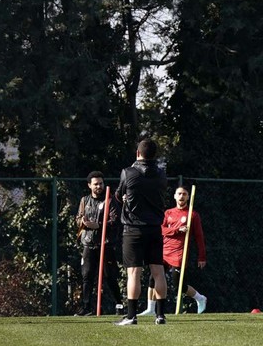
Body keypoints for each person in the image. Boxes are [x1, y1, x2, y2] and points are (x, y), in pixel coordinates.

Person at [114, 138, 168, 325]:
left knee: (133, 273)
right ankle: (160, 315)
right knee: (158, 271)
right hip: (154, 228)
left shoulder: (128, 172)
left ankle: (131, 316)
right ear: (155, 155)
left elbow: (118, 195)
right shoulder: (161, 174)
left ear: (138, 153)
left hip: (133, 228)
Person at [138, 186, 208, 316]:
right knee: (153, 278)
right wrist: (176, 230)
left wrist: (202, 257)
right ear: (175, 196)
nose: (181, 196)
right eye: (179, 194)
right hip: (164, 250)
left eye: (184, 194)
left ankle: (200, 298)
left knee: (178, 284)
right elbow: (161, 230)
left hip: (179, 252)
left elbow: (199, 237)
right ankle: (151, 309)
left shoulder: (192, 214)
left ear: (188, 197)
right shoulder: (168, 213)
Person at [74, 171, 122, 316]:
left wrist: (99, 225)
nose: (99, 187)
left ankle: (119, 305)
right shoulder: (84, 200)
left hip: (106, 245)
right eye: (95, 184)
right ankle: (86, 306)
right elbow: (77, 219)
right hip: (88, 243)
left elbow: (115, 220)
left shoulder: (110, 200)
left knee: (110, 276)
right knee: (87, 276)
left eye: (101, 183)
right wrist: (81, 222)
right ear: (89, 185)